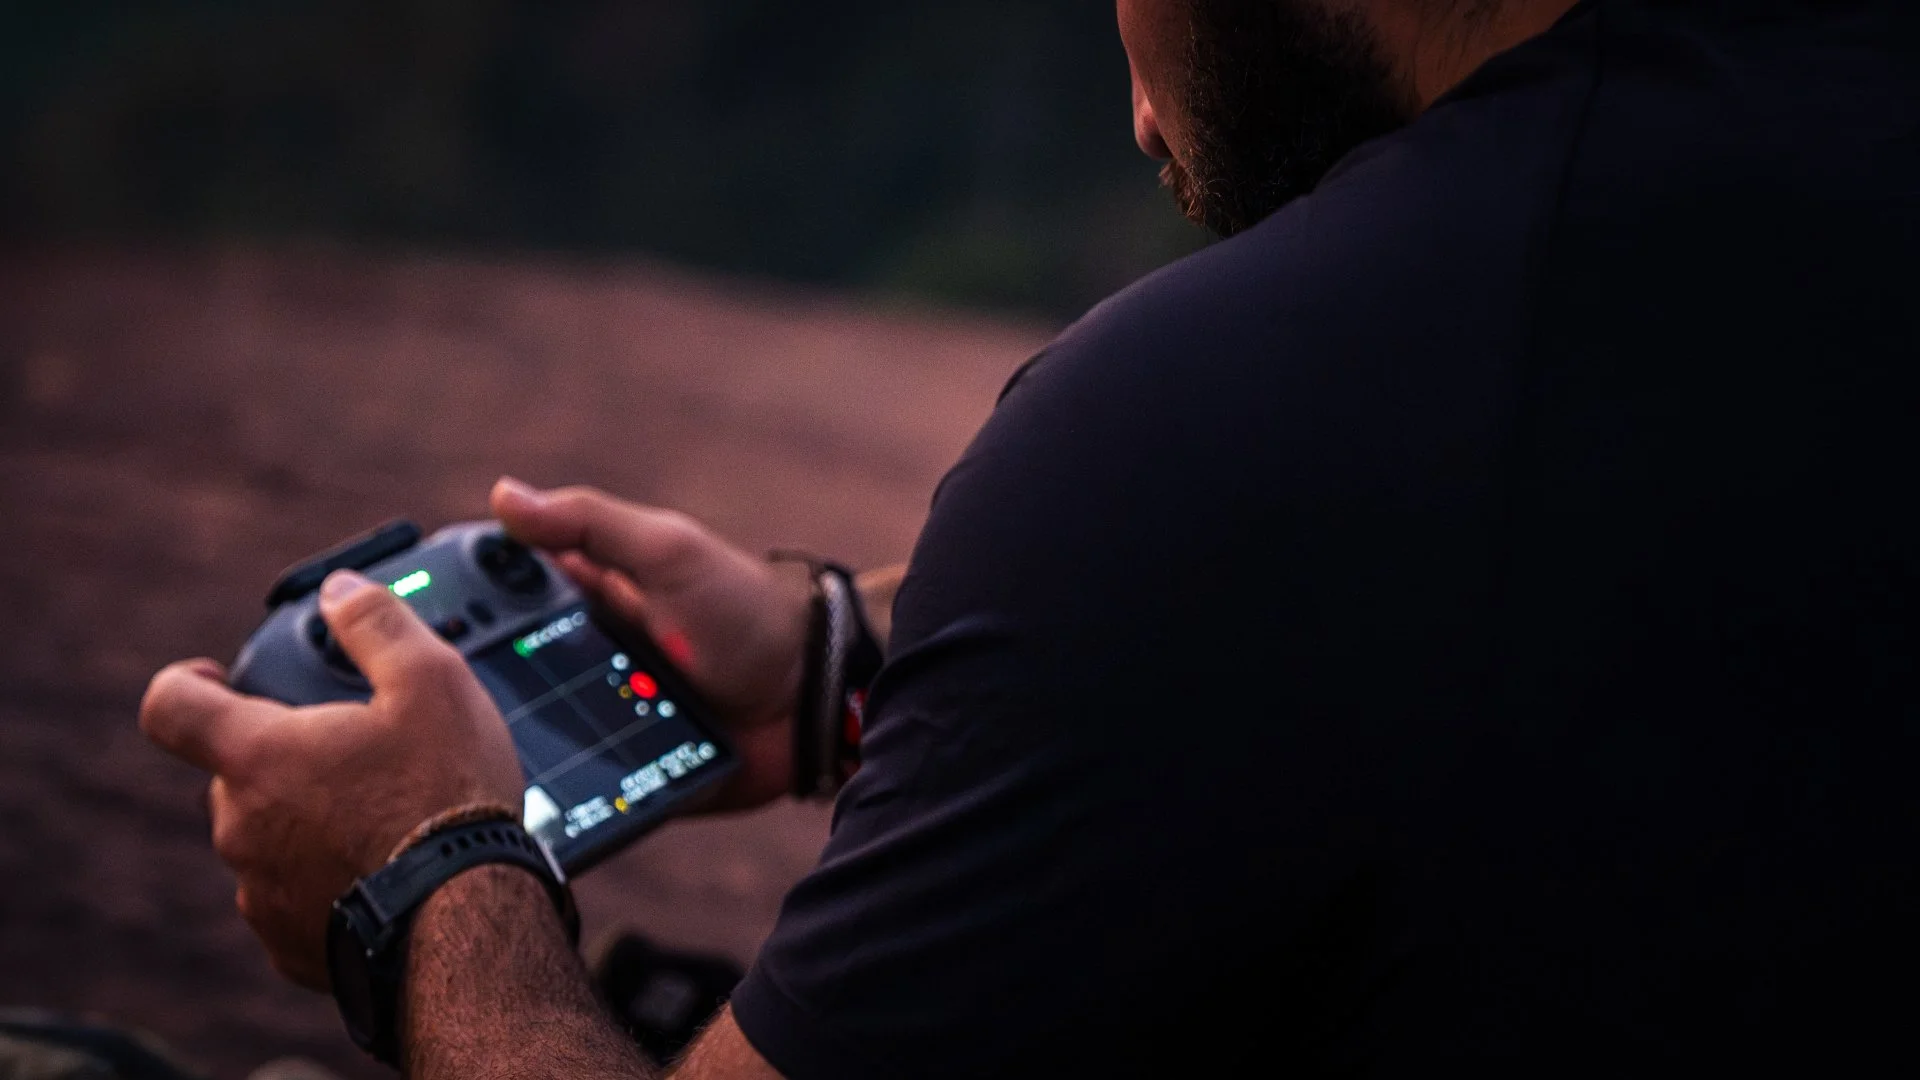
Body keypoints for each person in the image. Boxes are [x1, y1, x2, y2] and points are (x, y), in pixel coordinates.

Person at [140, 0, 1920, 1076]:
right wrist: (846, 660)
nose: (1140, 103)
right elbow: (1592, 558)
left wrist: (426, 885)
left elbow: (1323, 505)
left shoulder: (1237, 407)